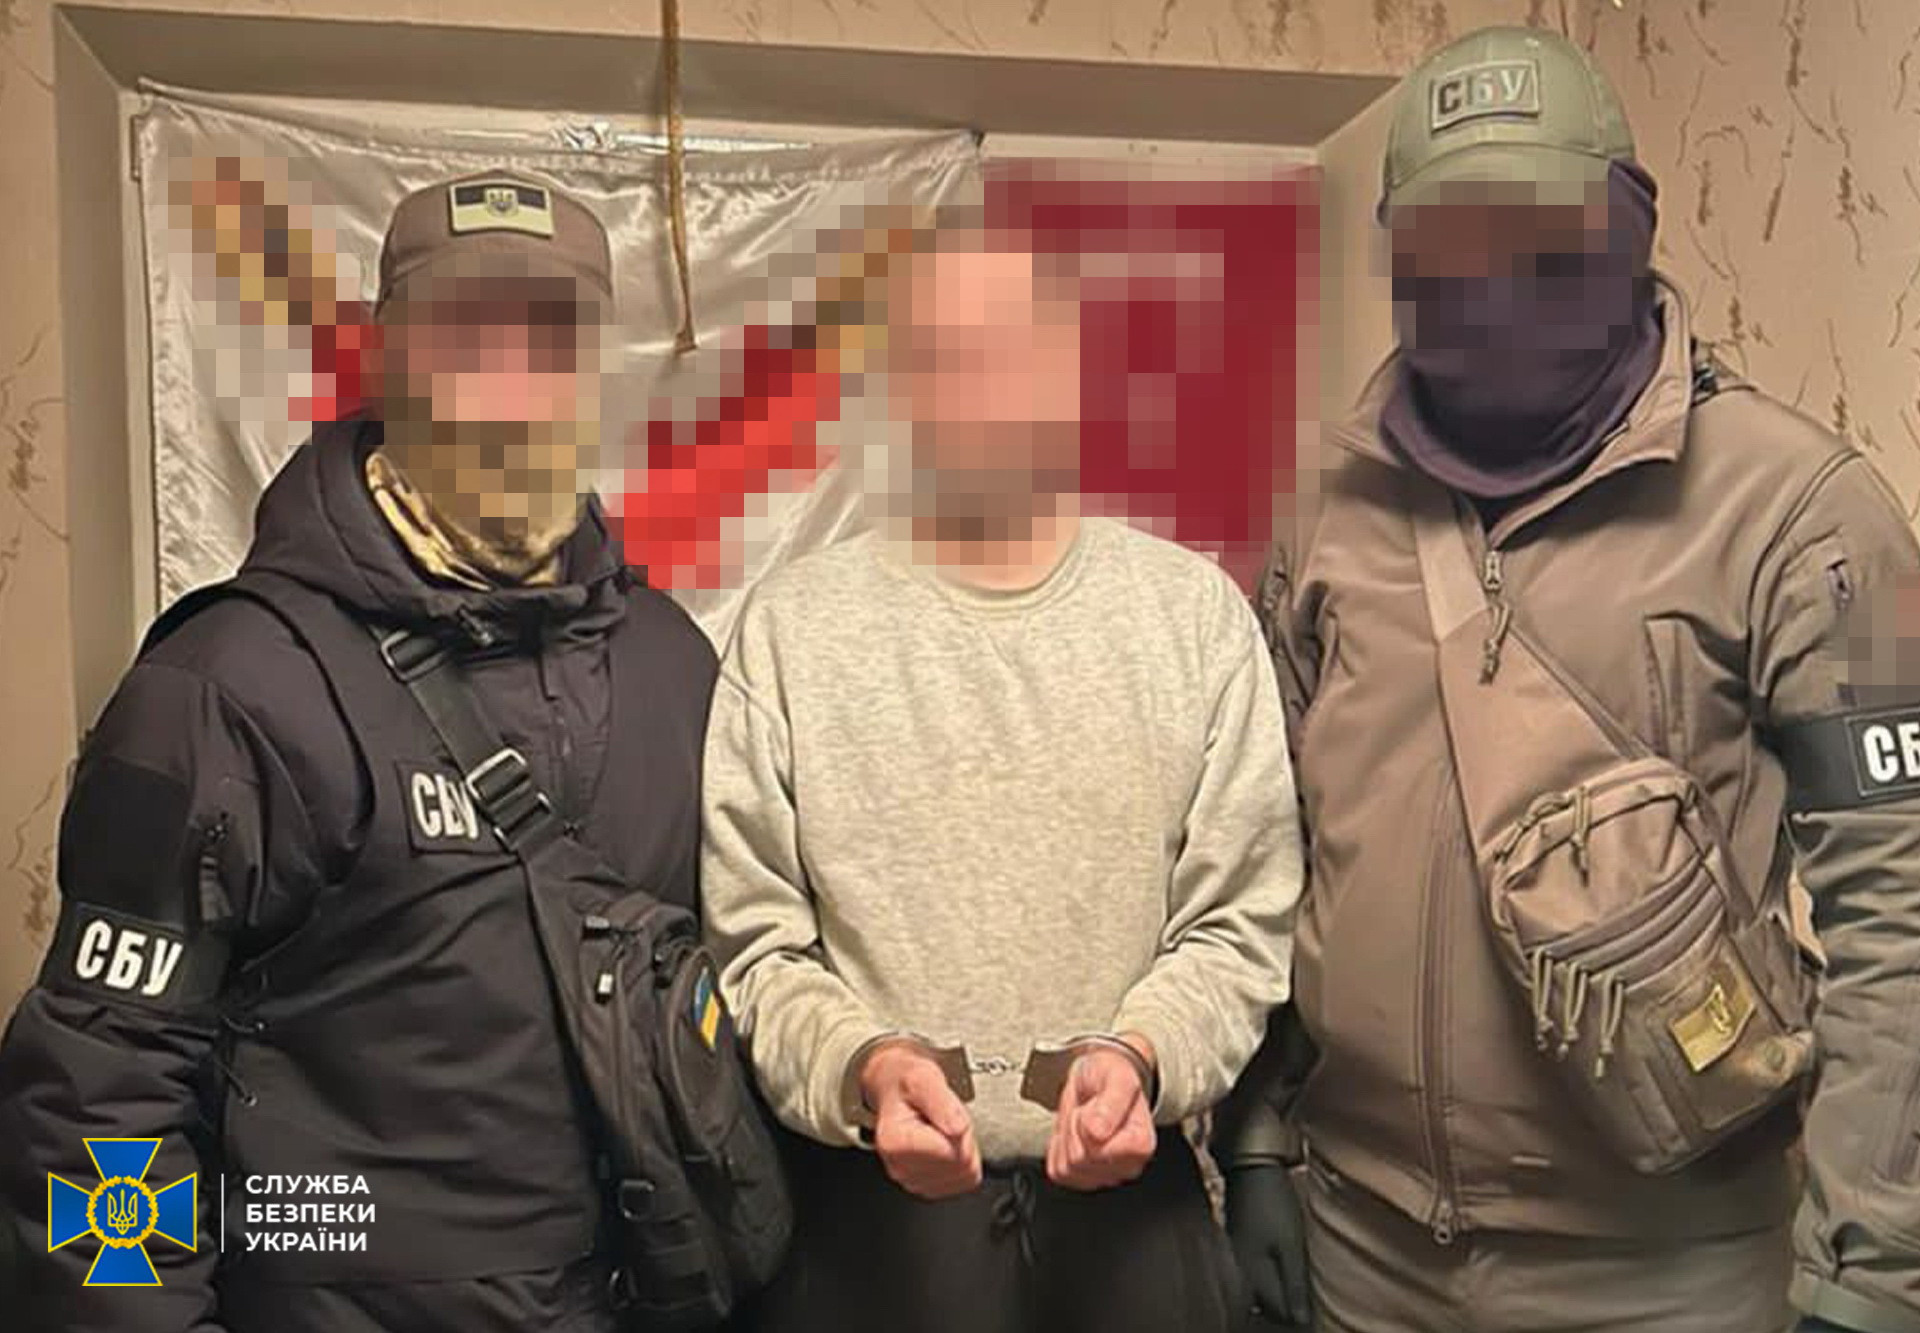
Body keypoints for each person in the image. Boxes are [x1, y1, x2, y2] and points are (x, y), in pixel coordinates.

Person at [1217, 25, 1920, 1333]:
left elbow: (1912, 909)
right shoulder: (1322, 512)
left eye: (1537, 228)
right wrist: (1256, 1143)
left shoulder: (1814, 514)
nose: (1488, 277)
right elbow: (1275, 847)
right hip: (1362, 1250)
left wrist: (1871, 1280)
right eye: (1446, 240)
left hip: (1668, 1276)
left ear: (1627, 226)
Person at [0, 173, 720, 1331]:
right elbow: (102, 1086)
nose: (509, 379)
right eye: (465, 331)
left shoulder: (672, 666)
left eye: (548, 336)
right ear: (391, 352)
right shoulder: (231, 682)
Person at [700, 219, 1304, 1333]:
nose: (978, 388)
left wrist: (1144, 1056)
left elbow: (1240, 924)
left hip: (1135, 1211)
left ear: (1071, 371)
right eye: (940, 355)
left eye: (1010, 348)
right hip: (868, 1224)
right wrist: (860, 1066)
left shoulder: (1191, 621)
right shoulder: (793, 632)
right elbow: (756, 946)